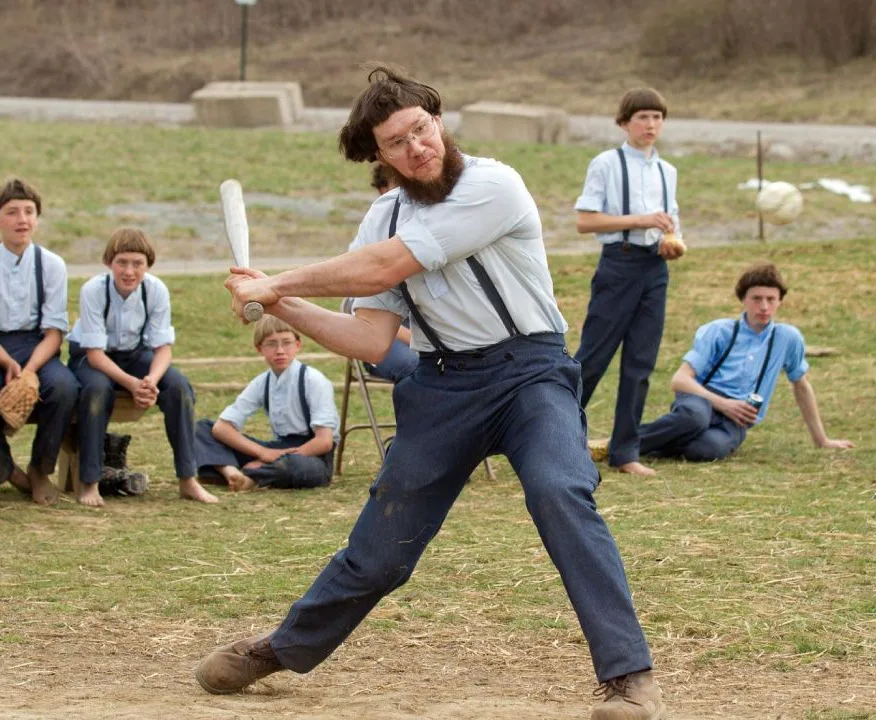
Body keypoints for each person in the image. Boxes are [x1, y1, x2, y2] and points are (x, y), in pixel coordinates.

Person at [198, 67, 663, 720]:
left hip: (531, 374)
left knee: (560, 488)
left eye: (421, 129)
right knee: (379, 550)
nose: (416, 146)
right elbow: (368, 338)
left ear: (438, 123)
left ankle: (629, 679)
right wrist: (281, 300)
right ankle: (280, 649)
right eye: (396, 141)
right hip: (444, 385)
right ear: (380, 156)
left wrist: (280, 277)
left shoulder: (491, 184)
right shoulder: (381, 216)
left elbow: (390, 266)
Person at [573, 88, 683, 477]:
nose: (650, 125)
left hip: (655, 270)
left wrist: (673, 246)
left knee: (641, 362)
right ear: (624, 123)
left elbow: (671, 226)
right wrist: (640, 220)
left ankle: (625, 451)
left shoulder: (668, 171)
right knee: (592, 359)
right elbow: (585, 221)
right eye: (642, 117)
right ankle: (560, 441)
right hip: (618, 266)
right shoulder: (605, 163)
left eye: (657, 117)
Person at [639, 263, 853, 461]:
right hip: (701, 400)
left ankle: (657, 442)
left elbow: (801, 385)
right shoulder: (719, 331)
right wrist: (723, 403)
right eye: (756, 298)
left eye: (771, 299)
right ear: (743, 299)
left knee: (706, 450)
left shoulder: (788, 338)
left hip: (737, 419)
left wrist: (822, 440)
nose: (764, 307)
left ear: (780, 301)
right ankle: (621, 445)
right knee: (694, 418)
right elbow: (679, 381)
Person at [67, 227, 217, 507]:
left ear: (147, 265)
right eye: (122, 262)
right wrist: (131, 383)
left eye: (138, 263)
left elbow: (163, 348)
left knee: (178, 387)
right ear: (109, 262)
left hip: (135, 353)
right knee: (97, 391)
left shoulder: (156, 290)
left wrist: (150, 381)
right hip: (93, 356)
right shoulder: (94, 290)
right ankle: (89, 481)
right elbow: (95, 355)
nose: (129, 271)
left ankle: (188, 478)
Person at [0, 178, 78, 506]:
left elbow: (55, 331)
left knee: (65, 388)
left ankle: (41, 468)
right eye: (12, 212)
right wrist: (7, 363)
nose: (22, 220)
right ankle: (4, 467)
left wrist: (29, 369)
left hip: (38, 347)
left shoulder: (51, 264)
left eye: (29, 212)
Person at [193, 315, 338, 492]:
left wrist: (273, 459)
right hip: (276, 449)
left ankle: (250, 477)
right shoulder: (262, 382)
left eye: (286, 342)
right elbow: (221, 428)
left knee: (295, 466)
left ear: (297, 345)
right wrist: (262, 453)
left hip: (311, 454)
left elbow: (324, 442)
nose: (280, 350)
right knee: (202, 428)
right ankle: (230, 471)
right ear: (259, 348)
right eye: (271, 344)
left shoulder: (313, 380)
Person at [352, 162, 417, 383]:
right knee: (416, 368)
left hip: (425, 331)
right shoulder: (371, 236)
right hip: (388, 334)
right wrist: (416, 339)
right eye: (398, 185)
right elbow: (364, 314)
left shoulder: (428, 228)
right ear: (382, 191)